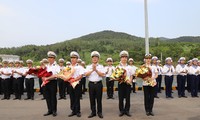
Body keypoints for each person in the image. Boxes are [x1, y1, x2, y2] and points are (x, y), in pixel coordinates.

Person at [58, 51, 84, 117]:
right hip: (70, 84)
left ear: (77, 59)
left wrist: (74, 80)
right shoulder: (68, 67)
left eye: (74, 58)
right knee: (71, 97)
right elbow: (64, 75)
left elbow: (81, 76)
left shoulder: (79, 67)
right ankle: (73, 110)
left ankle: (78, 111)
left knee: (77, 97)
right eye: (71, 58)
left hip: (77, 84)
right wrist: (65, 78)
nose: (72, 59)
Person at [85, 51, 105, 119]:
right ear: (91, 59)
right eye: (93, 57)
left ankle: (99, 112)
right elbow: (86, 74)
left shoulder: (101, 66)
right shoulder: (88, 66)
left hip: (99, 84)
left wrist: (96, 70)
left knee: (99, 99)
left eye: (96, 57)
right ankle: (93, 112)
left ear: (98, 59)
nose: (94, 59)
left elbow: (102, 75)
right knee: (92, 99)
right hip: (91, 84)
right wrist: (92, 70)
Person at [43, 51, 60, 117]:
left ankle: (54, 111)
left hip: (53, 82)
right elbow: (43, 74)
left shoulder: (56, 66)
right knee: (47, 97)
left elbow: (56, 75)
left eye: (51, 58)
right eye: (49, 57)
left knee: (53, 97)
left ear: (54, 59)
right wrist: (43, 78)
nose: (50, 59)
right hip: (46, 83)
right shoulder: (46, 66)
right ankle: (49, 110)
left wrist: (48, 78)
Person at [117, 50, 133, 117]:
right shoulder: (118, 67)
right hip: (121, 83)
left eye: (125, 57)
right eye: (123, 57)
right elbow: (116, 76)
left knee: (128, 98)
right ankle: (121, 110)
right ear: (120, 58)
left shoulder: (129, 67)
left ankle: (127, 110)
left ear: (127, 58)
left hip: (128, 84)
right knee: (120, 98)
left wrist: (130, 81)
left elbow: (132, 75)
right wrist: (121, 78)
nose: (124, 58)